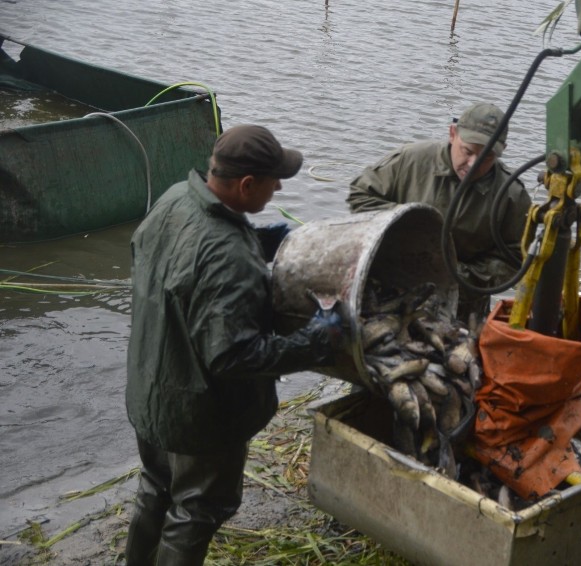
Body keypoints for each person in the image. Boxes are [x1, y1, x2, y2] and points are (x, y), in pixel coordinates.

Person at [124, 124, 341, 565]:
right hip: (198, 415)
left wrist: (254, 240)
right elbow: (234, 355)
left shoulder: (174, 200)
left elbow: (176, 263)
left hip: (149, 389)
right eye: (274, 179)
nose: (279, 186)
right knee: (197, 509)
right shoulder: (229, 258)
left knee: (156, 486)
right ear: (246, 185)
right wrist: (314, 341)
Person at [346, 102, 532, 321]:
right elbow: (360, 196)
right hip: (388, 287)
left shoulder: (512, 195)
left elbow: (515, 259)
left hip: (461, 307)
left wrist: (456, 275)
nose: (473, 164)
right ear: (453, 134)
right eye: (468, 151)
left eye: (487, 157)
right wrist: (408, 222)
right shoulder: (410, 160)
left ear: (502, 151)